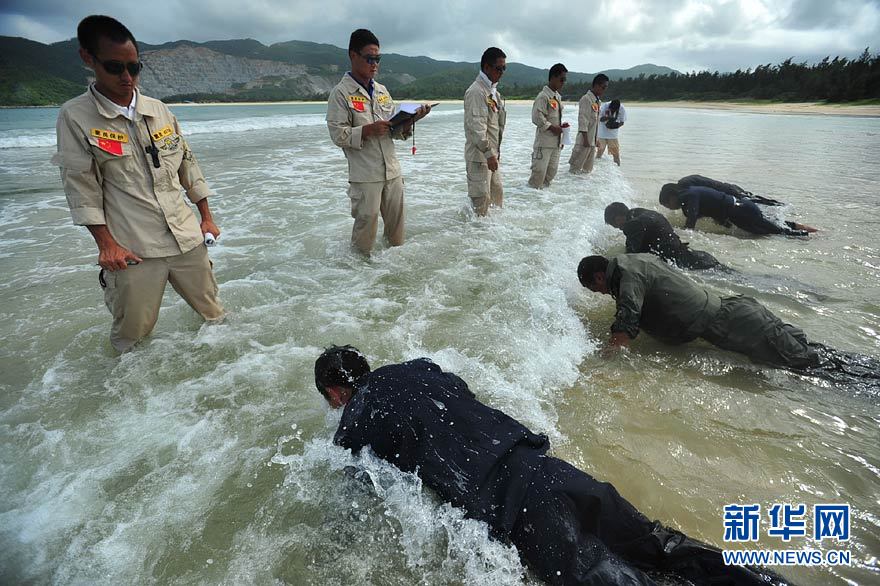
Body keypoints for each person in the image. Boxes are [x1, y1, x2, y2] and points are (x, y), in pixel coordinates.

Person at [315, 345, 786, 586]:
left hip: (523, 516)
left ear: (337, 395)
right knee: (664, 548)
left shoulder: (355, 421)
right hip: (551, 472)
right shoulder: (420, 369)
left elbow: (362, 500)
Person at [52, 15, 223, 353]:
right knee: (132, 341)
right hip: (133, 250)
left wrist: (206, 215)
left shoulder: (158, 110)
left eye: (134, 67)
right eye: (115, 67)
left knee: (216, 318)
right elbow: (80, 186)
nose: (127, 77)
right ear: (88, 58)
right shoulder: (75, 117)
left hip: (186, 236)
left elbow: (187, 164)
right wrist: (106, 244)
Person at [578, 254, 880, 384]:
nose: (603, 294)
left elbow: (627, 325)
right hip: (737, 312)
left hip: (739, 324)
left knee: (817, 370)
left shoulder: (628, 278)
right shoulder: (635, 259)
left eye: (598, 289)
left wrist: (606, 364)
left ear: (600, 276)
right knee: (816, 358)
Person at [326, 29, 430, 254]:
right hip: (366, 176)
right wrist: (367, 130)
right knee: (365, 235)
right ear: (353, 56)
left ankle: (393, 274)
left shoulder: (382, 91)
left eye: (378, 59)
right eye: (369, 58)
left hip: (392, 171)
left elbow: (393, 130)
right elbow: (338, 135)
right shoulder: (341, 94)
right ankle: (359, 279)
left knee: (397, 235)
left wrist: (411, 120)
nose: (374, 64)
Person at [659, 183, 817, 236]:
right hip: (741, 210)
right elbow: (712, 213)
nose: (670, 208)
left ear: (672, 196)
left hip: (742, 211)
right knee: (777, 227)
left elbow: (691, 221)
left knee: (779, 232)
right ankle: (812, 231)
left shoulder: (689, 196)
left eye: (667, 204)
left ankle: (811, 237)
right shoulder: (690, 194)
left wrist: (684, 236)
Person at [603, 202, 723, 270]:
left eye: (616, 225)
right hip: (690, 254)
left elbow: (631, 257)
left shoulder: (632, 224)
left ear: (618, 218)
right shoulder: (641, 212)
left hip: (679, 262)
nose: (619, 228)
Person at [464, 47, 507, 216]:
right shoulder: (476, 91)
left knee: (496, 201)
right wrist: (489, 153)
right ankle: (473, 240)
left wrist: (495, 152)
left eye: (504, 68)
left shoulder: (494, 92)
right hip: (480, 158)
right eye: (499, 68)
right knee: (480, 207)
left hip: (491, 156)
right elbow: (477, 128)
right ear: (486, 67)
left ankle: (491, 240)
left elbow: (496, 126)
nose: (502, 72)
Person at [528, 63, 568, 189]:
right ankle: (530, 199)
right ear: (553, 78)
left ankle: (543, 201)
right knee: (538, 175)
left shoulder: (557, 97)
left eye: (565, 80)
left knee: (551, 174)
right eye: (562, 79)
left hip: (556, 143)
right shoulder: (543, 96)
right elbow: (536, 117)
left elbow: (554, 117)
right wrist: (552, 127)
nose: (563, 83)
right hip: (544, 143)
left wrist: (561, 127)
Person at [568, 74, 609, 175]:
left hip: (591, 143)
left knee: (587, 172)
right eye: (603, 87)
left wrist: (596, 140)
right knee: (575, 171)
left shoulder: (597, 101)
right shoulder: (586, 99)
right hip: (584, 142)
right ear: (596, 85)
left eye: (605, 88)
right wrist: (586, 140)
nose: (604, 90)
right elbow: (583, 122)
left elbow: (594, 124)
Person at [676, 175, 784, 207]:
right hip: (730, 189)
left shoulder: (686, 187)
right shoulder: (685, 183)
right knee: (754, 199)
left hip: (730, 191)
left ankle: (779, 205)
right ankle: (778, 205)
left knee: (754, 201)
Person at [596, 99, 626, 166]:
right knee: (599, 152)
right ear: (610, 106)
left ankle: (618, 169)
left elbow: (622, 122)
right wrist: (608, 118)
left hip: (613, 135)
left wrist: (615, 125)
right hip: (602, 133)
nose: (613, 111)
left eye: (615, 110)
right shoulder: (605, 106)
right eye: (612, 109)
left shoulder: (622, 108)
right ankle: (596, 169)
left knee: (616, 154)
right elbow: (599, 119)